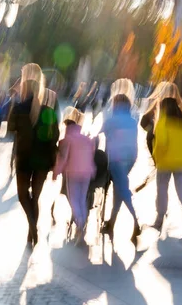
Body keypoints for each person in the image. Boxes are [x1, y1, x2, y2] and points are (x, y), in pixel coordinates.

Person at [8, 63, 59, 248]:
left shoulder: (20, 107)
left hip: (24, 157)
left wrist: (14, 102)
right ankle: (32, 233)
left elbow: (10, 128)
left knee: (23, 196)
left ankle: (33, 229)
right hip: (43, 158)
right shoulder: (50, 104)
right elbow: (55, 133)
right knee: (35, 198)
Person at [151, 85, 182, 241]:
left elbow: (160, 145)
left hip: (165, 163)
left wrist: (156, 159)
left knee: (162, 191)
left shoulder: (163, 122)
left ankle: (159, 220)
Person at [100, 78, 141, 247]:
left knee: (122, 191)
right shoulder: (132, 121)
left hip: (115, 158)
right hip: (130, 158)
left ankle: (135, 221)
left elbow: (102, 133)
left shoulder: (111, 120)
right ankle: (111, 223)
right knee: (119, 189)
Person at [53, 107, 96, 246]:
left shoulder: (66, 140)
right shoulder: (86, 139)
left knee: (73, 200)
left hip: (73, 173)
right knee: (82, 199)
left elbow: (63, 158)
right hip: (87, 174)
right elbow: (92, 155)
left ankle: (80, 224)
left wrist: (56, 171)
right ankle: (81, 226)